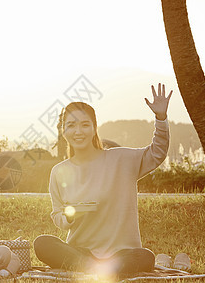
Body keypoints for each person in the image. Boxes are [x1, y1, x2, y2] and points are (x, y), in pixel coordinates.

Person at [34, 83, 172, 278]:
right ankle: (94, 268)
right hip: (81, 251)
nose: (78, 131)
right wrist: (72, 215)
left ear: (94, 128)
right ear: (63, 130)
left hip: (121, 253)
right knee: (42, 243)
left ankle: (94, 269)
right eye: (71, 125)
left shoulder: (121, 159)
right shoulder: (59, 171)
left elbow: (157, 152)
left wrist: (161, 118)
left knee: (145, 256)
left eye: (84, 124)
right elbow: (58, 217)